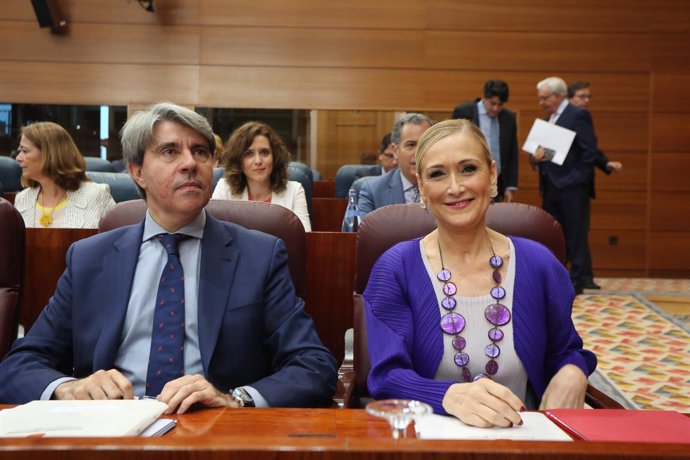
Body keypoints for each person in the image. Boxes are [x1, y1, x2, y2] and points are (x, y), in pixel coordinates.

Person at [0, 102, 337, 412]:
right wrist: (69, 388)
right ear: (137, 172)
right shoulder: (90, 258)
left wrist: (234, 399)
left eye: (200, 152)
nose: (190, 163)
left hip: (214, 433)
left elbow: (314, 365)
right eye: (170, 151)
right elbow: (20, 365)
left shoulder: (260, 255)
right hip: (112, 432)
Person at [364, 119, 596, 428]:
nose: (456, 187)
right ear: (421, 186)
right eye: (437, 174)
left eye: (468, 169)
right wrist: (448, 396)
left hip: (525, 438)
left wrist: (573, 369)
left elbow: (564, 351)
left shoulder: (540, 263)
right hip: (430, 440)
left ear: (493, 173)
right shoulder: (395, 268)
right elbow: (386, 377)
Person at [532, 77, 598, 295]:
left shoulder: (577, 115)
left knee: (575, 233)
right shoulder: (548, 120)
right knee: (555, 234)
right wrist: (535, 158)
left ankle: (578, 279)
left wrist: (576, 179)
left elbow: (589, 152)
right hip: (550, 187)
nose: (540, 102)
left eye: (544, 98)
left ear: (557, 95)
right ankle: (558, 276)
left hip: (572, 187)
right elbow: (542, 155)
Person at [568, 81, 623, 290]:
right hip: (572, 182)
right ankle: (583, 276)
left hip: (575, 183)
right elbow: (587, 150)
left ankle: (585, 276)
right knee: (576, 230)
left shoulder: (579, 117)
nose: (586, 101)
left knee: (579, 229)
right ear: (570, 98)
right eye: (582, 96)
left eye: (589, 97)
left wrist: (605, 163)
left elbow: (590, 148)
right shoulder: (573, 116)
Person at [211, 121, 311, 232]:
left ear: (275, 157)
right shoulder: (224, 189)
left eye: (264, 153)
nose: (258, 161)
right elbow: (215, 235)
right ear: (239, 160)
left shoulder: (295, 191)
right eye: (249, 154)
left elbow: (303, 239)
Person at [13, 121, 115, 228]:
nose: (18, 158)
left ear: (50, 154)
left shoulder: (96, 196)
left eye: (24, 151)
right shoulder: (22, 199)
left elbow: (117, 240)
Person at [451, 80, 519, 202]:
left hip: (497, 181)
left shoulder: (508, 117)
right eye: (492, 103)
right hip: (468, 178)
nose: (496, 108)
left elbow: (512, 153)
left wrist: (511, 186)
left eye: (500, 105)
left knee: (494, 218)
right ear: (484, 97)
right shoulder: (464, 111)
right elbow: (452, 146)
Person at [357, 114, 433, 218]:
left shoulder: (447, 187)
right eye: (410, 145)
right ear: (395, 151)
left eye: (424, 145)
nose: (418, 153)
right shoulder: (373, 191)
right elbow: (363, 233)